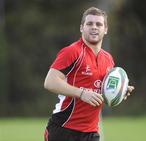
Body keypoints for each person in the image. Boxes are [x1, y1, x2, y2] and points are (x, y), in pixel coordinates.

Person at [43, 7, 134, 141]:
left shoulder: (108, 59)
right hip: (64, 129)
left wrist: (120, 90)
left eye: (99, 24)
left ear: (106, 29)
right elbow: (49, 82)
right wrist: (81, 93)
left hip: (91, 133)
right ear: (81, 28)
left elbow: (103, 88)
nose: (94, 27)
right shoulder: (72, 52)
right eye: (89, 23)